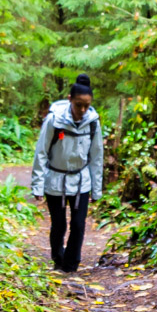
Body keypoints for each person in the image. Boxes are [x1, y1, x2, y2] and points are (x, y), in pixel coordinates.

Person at [31, 73, 103, 274]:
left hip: (82, 181)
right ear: (70, 99)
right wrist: (37, 185)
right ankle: (58, 258)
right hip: (56, 181)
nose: (82, 110)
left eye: (86, 106)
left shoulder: (92, 122)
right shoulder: (54, 120)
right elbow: (41, 152)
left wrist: (96, 190)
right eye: (78, 104)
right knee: (59, 224)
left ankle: (71, 265)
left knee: (79, 225)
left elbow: (97, 157)